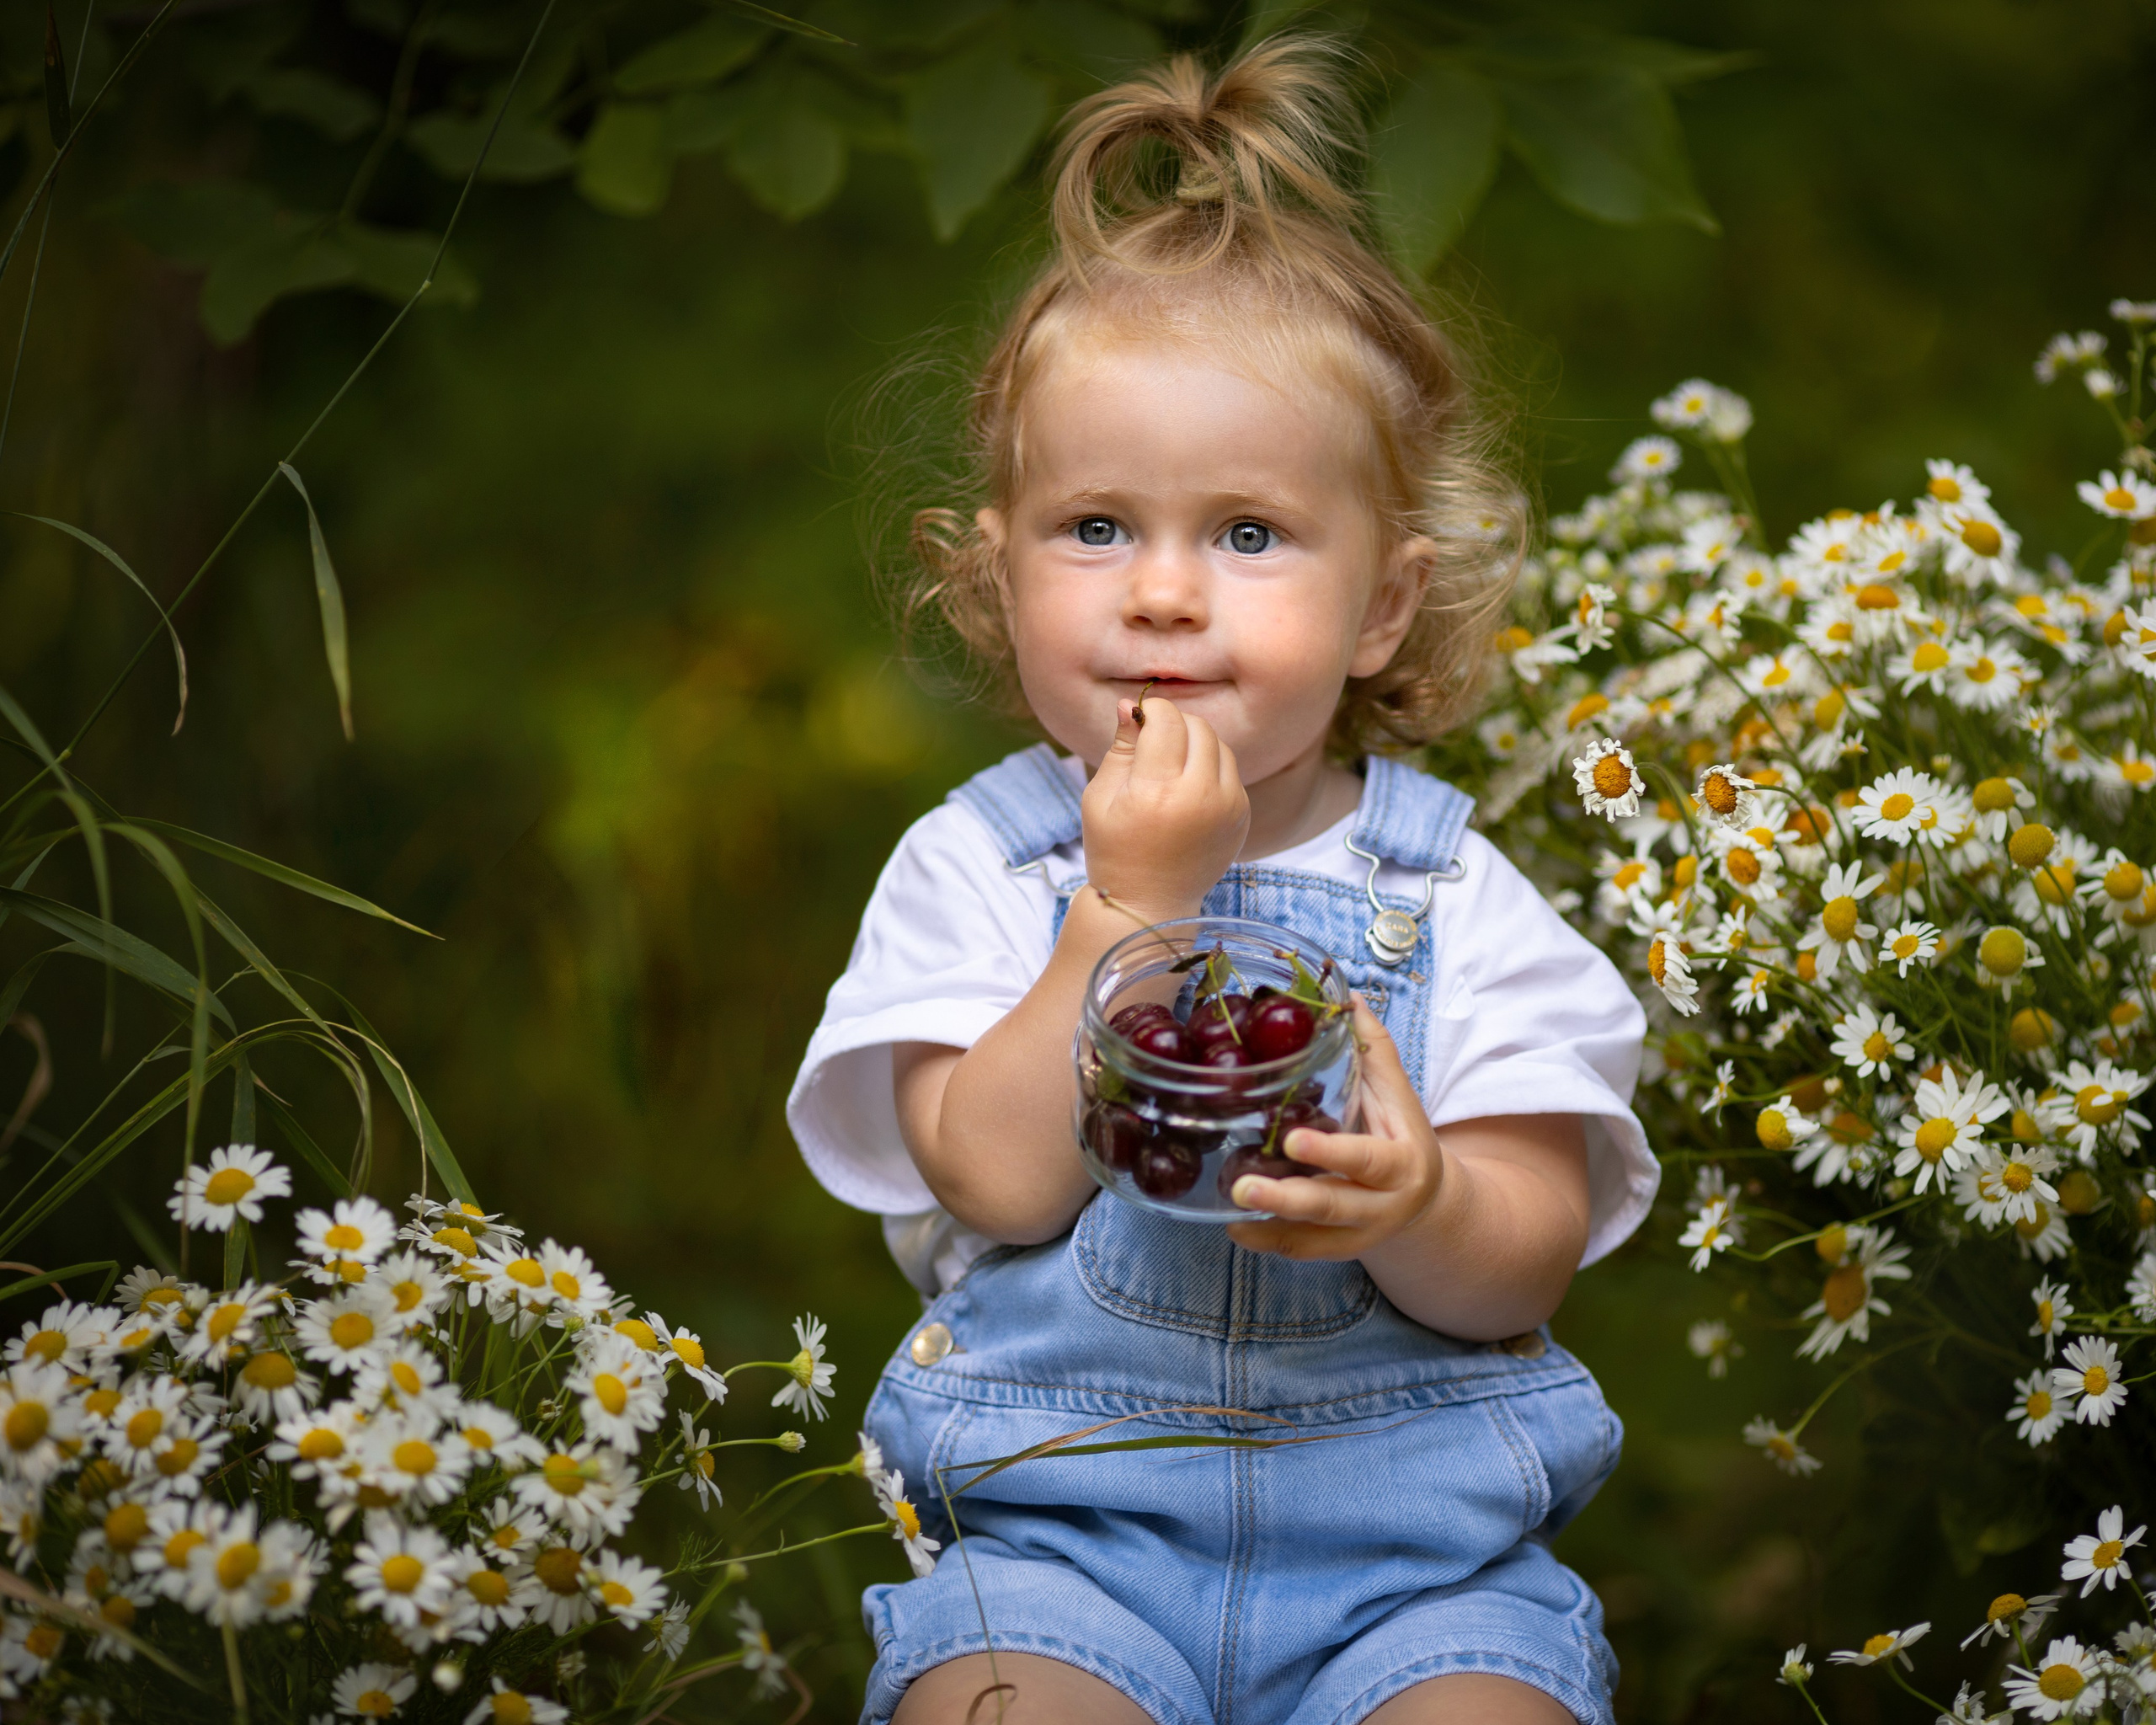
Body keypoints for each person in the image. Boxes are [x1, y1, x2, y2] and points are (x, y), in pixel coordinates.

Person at [787, 36, 1656, 1725]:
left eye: (1248, 535)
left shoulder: (1454, 894)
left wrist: (1421, 1199)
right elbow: (990, 1181)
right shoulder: (980, 863)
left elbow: (1528, 1258)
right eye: (1095, 527)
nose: (1165, 595)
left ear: (1382, 607)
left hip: (1421, 1567)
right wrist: (1122, 910)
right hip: (1060, 1539)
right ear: (993, 570)